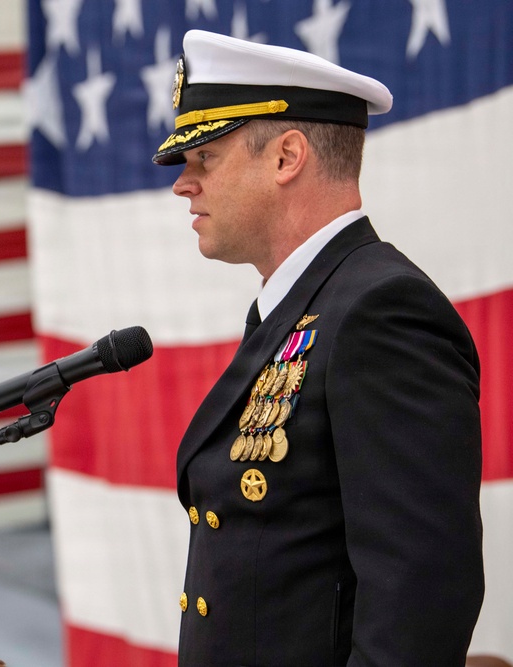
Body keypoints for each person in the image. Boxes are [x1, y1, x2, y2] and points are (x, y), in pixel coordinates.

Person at [155, 31, 484, 666]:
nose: (183, 185)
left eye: (206, 158)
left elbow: (418, 603)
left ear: (286, 156)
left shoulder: (379, 312)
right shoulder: (302, 308)